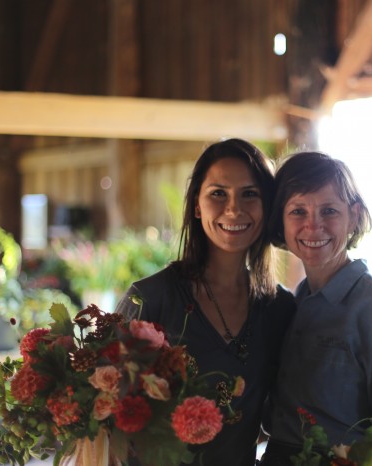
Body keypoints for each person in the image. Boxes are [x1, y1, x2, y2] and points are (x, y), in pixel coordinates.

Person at [116, 138, 296, 466]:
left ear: (267, 205)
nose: (234, 209)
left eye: (250, 193)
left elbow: (280, 419)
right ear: (197, 205)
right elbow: (104, 425)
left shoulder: (279, 309)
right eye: (218, 193)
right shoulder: (150, 299)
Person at [260, 151, 372, 466]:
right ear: (279, 220)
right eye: (298, 211)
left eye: (329, 211)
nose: (313, 226)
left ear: (354, 216)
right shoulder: (293, 304)